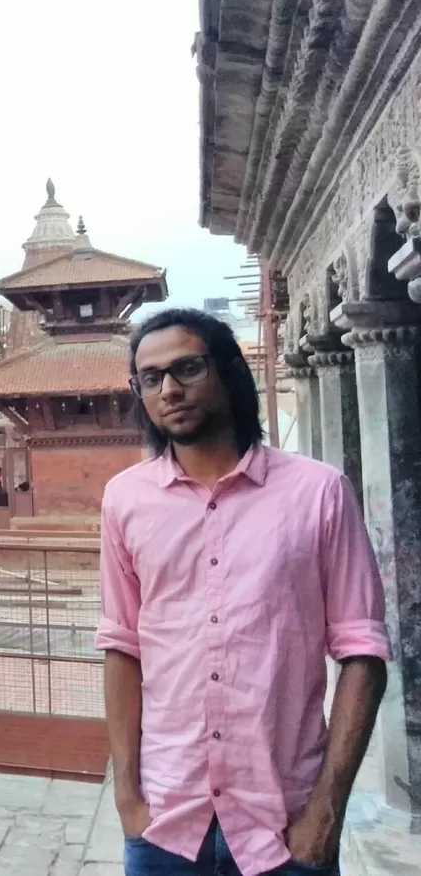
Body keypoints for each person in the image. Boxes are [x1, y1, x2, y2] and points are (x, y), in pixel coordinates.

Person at [98, 308, 388, 876]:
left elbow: (362, 651)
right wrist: (129, 796)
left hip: (286, 819)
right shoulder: (125, 500)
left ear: (229, 372)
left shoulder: (318, 493)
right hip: (166, 819)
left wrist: (327, 810)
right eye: (151, 378)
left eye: (187, 368)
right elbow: (122, 646)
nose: (170, 390)